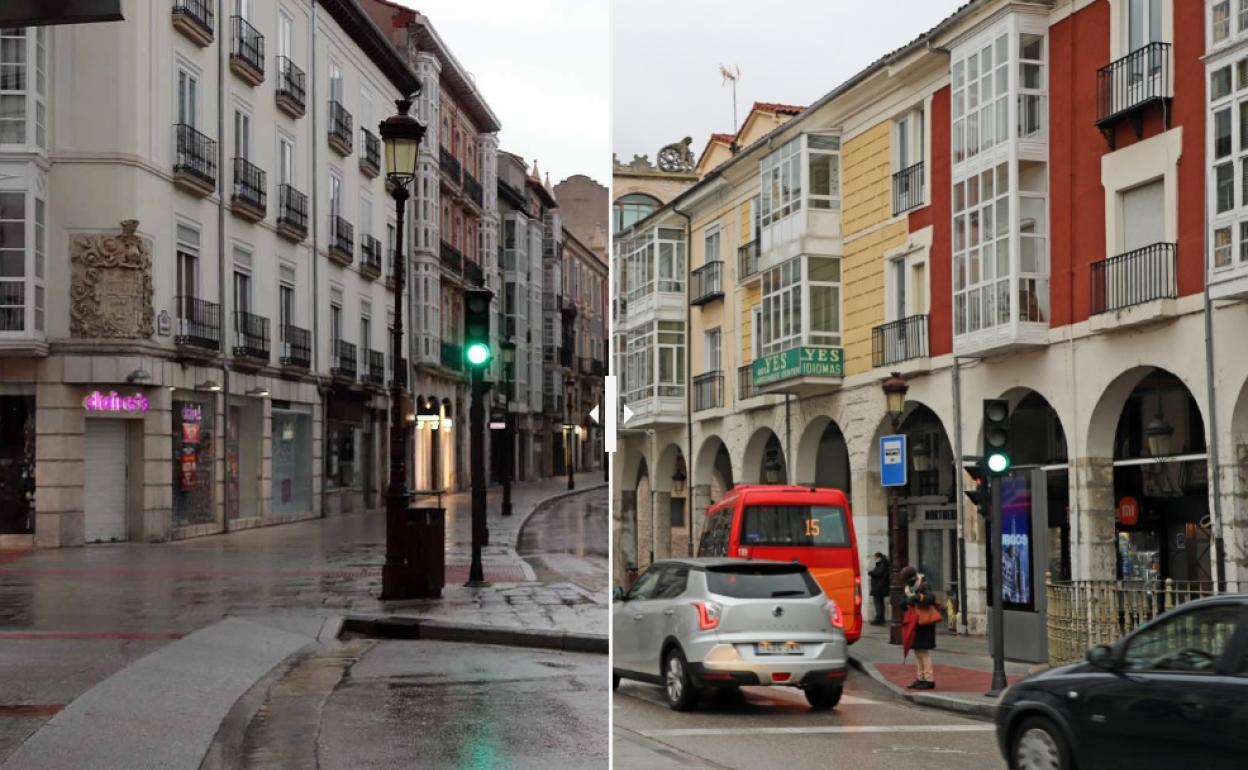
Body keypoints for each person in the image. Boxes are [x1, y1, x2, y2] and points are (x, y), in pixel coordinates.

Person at [901, 565, 938, 689]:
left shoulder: (924, 585)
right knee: (917, 651)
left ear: (913, 577)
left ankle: (929, 679)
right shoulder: (908, 588)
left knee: (923, 652)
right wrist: (906, 602)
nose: (907, 583)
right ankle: (920, 677)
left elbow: (931, 598)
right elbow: (902, 603)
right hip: (915, 622)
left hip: (924, 623)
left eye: (908, 579)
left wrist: (918, 598)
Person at [867, 552, 890, 625]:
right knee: (879, 602)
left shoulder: (882, 564)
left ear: (879, 557)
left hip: (879, 587)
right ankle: (880, 618)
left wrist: (871, 572)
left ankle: (879, 618)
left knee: (877, 603)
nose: (875, 559)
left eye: (875, 558)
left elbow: (878, 573)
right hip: (879, 587)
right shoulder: (883, 563)